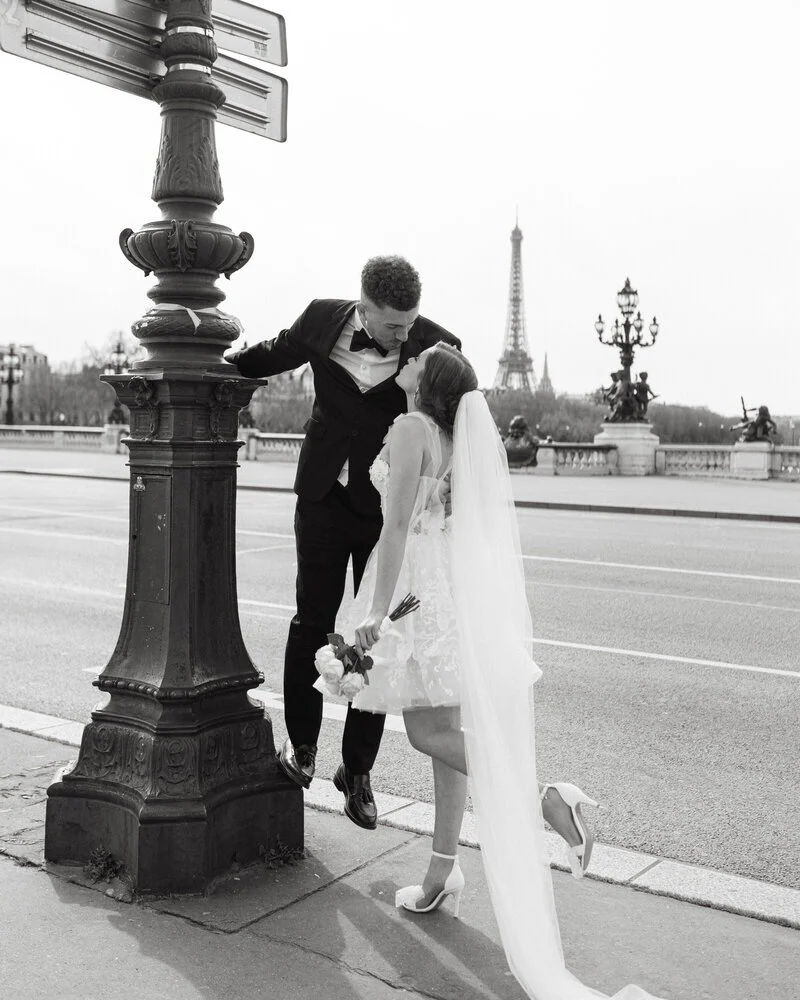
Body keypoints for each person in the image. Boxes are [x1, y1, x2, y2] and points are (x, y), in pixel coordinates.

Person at [334, 343, 664, 1000]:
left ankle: (546, 797)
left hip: (411, 592)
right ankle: (441, 873)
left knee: (429, 735)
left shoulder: (409, 430)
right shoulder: (453, 438)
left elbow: (397, 526)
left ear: (426, 384)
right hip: (443, 586)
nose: (406, 362)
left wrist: (374, 615)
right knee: (446, 739)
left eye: (417, 363)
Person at [225, 256, 460, 831]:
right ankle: (302, 749)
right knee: (311, 621)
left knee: (373, 638)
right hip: (324, 499)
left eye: (409, 325)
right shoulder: (319, 321)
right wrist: (214, 363)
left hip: (386, 514)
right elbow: (272, 355)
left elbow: (461, 410)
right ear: (364, 307)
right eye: (391, 327)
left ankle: (357, 772)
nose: (403, 337)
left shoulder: (434, 347)